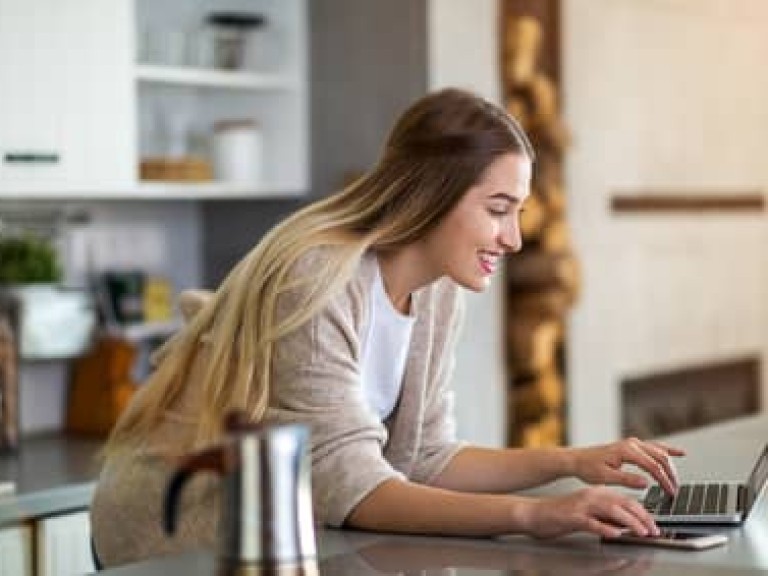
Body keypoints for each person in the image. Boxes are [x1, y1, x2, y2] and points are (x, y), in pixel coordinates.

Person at [90, 88, 683, 567]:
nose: (514, 238)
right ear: (433, 196)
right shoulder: (316, 277)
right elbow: (355, 490)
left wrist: (568, 462)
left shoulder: (438, 292)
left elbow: (424, 455)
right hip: (170, 540)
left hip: (272, 540)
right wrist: (536, 516)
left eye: (518, 213)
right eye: (498, 210)